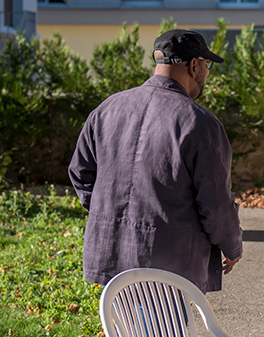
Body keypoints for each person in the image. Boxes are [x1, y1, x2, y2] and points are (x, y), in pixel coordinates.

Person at [68, 29, 243, 293]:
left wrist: (112, 219)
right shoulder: (200, 123)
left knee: (124, 330)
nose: (207, 73)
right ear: (194, 65)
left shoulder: (106, 109)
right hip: (170, 268)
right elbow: (216, 203)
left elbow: (81, 174)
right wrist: (232, 246)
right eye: (207, 65)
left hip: (112, 260)